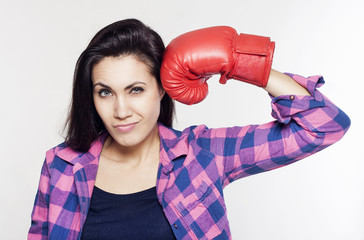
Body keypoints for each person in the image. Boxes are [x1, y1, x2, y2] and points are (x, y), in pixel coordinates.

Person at [28, 18, 350, 240]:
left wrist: (242, 62)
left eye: (136, 89)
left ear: (163, 88)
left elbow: (324, 126)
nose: (121, 111)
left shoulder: (203, 154)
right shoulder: (62, 165)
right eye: (105, 92)